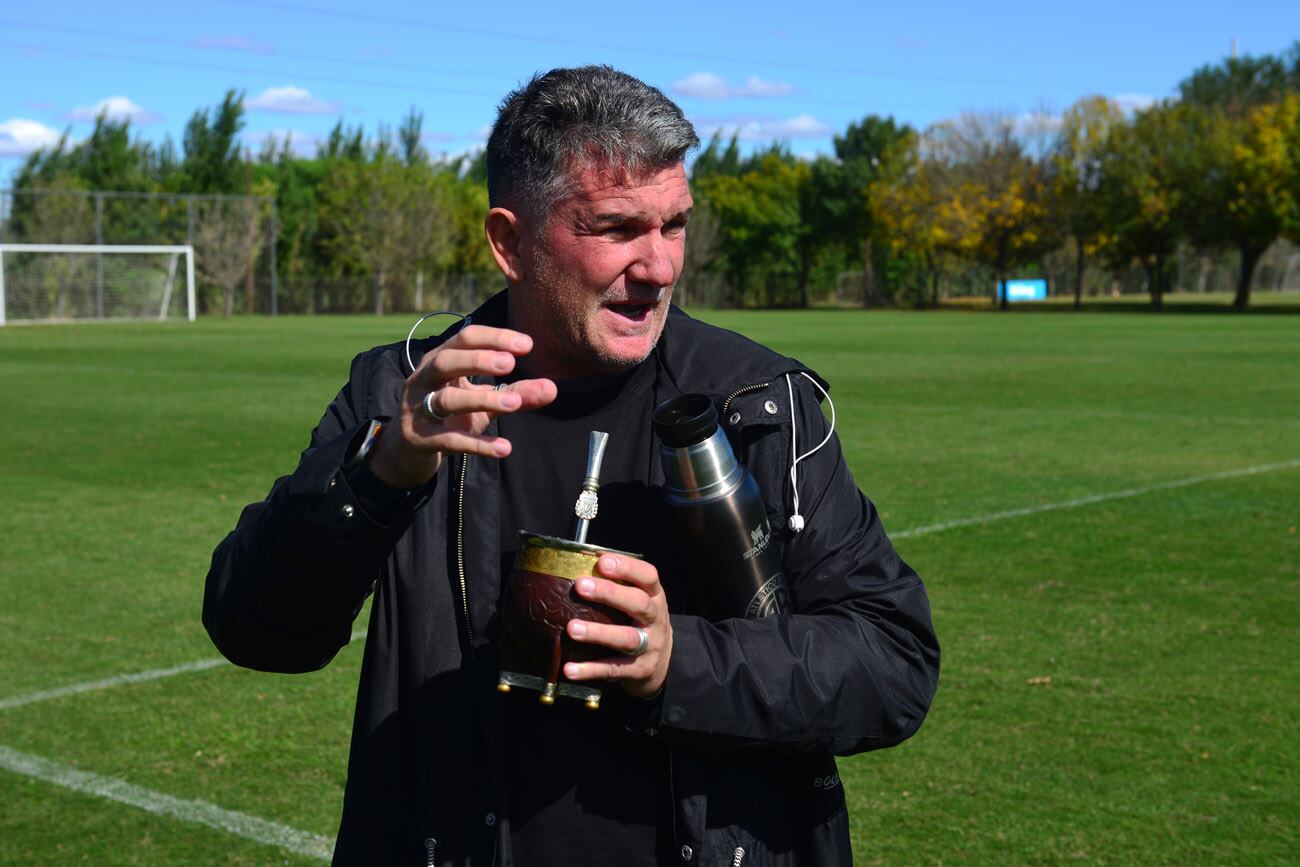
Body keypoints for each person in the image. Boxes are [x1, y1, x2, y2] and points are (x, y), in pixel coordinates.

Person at [204, 65, 939, 866]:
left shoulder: (759, 401)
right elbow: (255, 626)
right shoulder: (405, 393)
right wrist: (381, 474)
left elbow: (892, 660)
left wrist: (677, 660)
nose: (658, 267)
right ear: (509, 242)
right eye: (617, 229)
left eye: (674, 225)